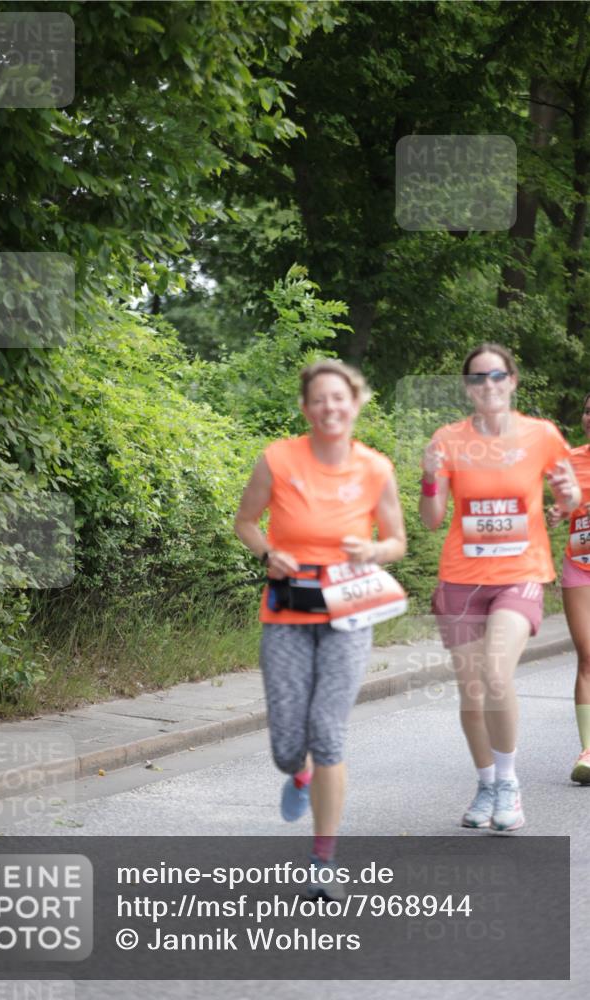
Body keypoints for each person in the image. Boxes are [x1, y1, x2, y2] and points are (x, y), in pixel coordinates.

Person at [234, 359, 406, 896]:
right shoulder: (278, 459)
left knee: (328, 733)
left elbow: (397, 541)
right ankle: (299, 773)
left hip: (348, 617)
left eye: (339, 397)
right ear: (306, 408)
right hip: (287, 613)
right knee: (289, 744)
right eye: (319, 399)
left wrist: (372, 549)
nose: (330, 407)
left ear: (355, 402)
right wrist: (269, 553)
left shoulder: (375, 468)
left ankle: (322, 860)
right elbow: (245, 522)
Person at [419, 343, 580, 831]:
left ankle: (509, 784)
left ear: (512, 381)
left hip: (520, 574)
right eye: (477, 377)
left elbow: (569, 496)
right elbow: (431, 520)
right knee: (472, 694)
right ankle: (486, 783)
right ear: (467, 386)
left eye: (495, 376)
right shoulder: (449, 439)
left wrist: (567, 495)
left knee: (494, 673)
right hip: (461, 579)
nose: (487, 385)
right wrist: (429, 478)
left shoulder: (541, 435)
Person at [547, 392, 590, 784]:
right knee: (587, 656)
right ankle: (588, 752)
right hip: (580, 564)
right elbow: (560, 506)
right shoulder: (570, 461)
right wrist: (556, 514)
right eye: (589, 410)